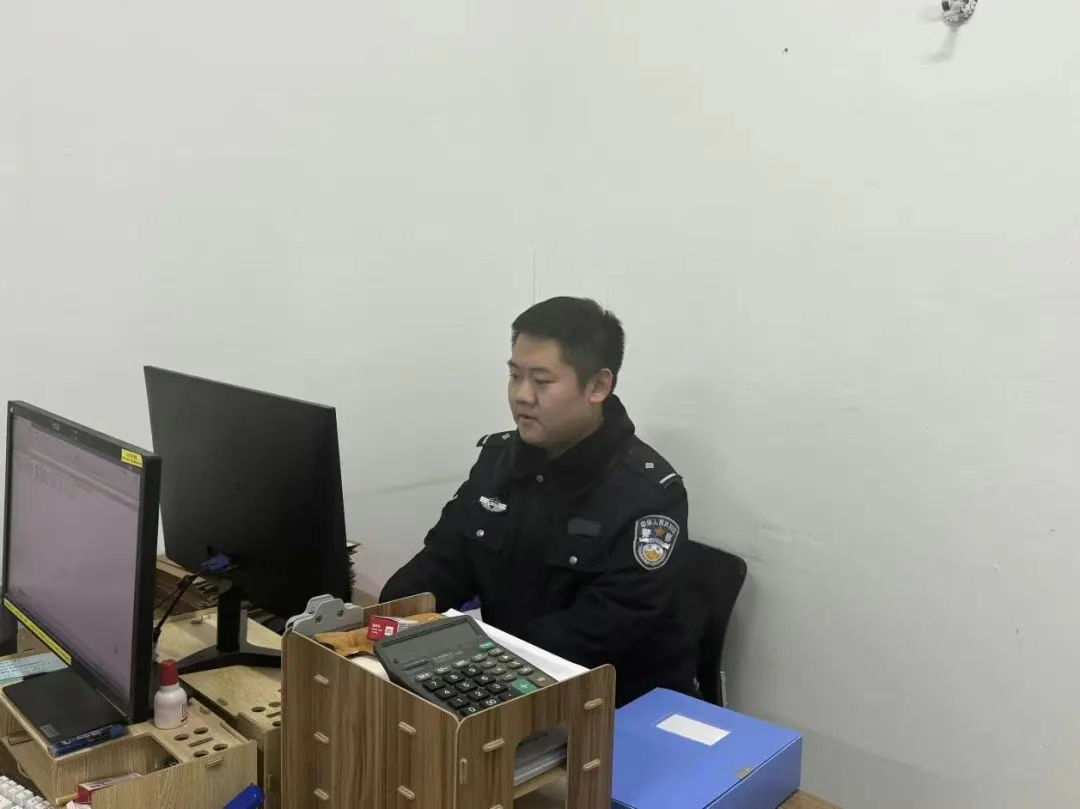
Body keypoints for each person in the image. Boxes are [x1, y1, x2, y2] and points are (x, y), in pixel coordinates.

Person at [380, 296, 696, 706]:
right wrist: (381, 626)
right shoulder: (499, 462)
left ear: (598, 386)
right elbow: (442, 562)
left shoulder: (649, 495)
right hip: (506, 681)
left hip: (612, 703)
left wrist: (474, 667)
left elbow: (599, 631)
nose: (522, 396)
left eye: (542, 382)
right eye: (515, 376)